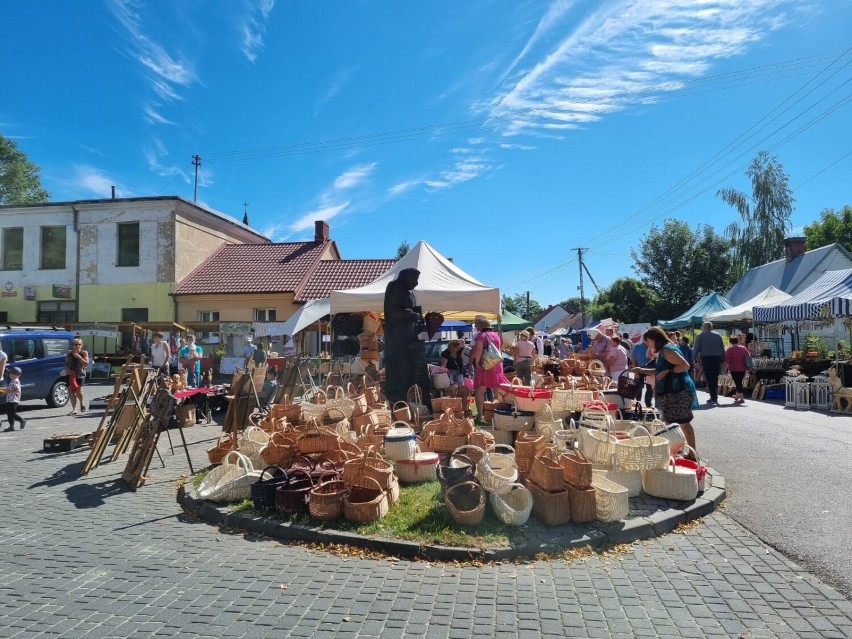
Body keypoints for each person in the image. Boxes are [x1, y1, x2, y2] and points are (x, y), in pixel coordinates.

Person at [632, 327, 699, 452]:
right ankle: (676, 449)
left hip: (679, 390)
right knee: (672, 421)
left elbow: (685, 365)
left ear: (653, 339)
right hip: (671, 390)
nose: (647, 345)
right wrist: (641, 370)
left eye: (647, 341)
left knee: (683, 421)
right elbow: (659, 371)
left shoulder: (667, 349)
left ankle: (691, 452)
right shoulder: (664, 350)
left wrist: (669, 371)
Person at [383, 268, 430, 408]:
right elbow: (392, 313)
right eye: (414, 279)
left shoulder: (409, 293)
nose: (416, 283)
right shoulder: (394, 287)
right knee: (399, 371)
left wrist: (418, 317)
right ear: (406, 277)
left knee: (413, 371)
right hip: (397, 340)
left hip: (409, 338)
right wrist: (410, 314)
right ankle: (398, 404)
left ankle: (415, 403)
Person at [470, 315, 508, 424]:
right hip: (496, 365)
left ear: (481, 326)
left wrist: (476, 363)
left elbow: (478, 349)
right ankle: (495, 414)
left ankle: (480, 416)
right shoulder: (496, 335)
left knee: (480, 390)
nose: (476, 326)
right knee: (497, 390)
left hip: (485, 366)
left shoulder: (481, 336)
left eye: (477, 325)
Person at [694, 321, 725, 404]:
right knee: (715, 377)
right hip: (717, 358)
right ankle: (714, 395)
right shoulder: (718, 336)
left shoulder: (700, 336)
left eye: (702, 327)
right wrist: (723, 359)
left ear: (704, 327)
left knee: (709, 377)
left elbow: (696, 349)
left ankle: (713, 396)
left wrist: (692, 359)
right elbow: (722, 348)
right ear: (711, 327)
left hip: (706, 358)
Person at [65, 338, 90, 415]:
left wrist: (79, 357)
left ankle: (82, 402)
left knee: (78, 391)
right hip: (71, 374)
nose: (77, 346)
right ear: (73, 345)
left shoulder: (84, 353)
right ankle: (74, 409)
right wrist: (66, 369)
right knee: (71, 391)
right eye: (76, 344)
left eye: (79, 344)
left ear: (82, 345)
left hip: (80, 374)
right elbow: (66, 363)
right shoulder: (69, 353)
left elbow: (86, 364)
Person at [724, 336, 752, 404]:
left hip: (734, 368)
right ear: (738, 341)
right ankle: (737, 396)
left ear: (730, 342)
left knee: (738, 382)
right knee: (739, 381)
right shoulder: (743, 348)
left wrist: (725, 370)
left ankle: (742, 398)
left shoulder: (730, 350)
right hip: (743, 368)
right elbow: (748, 357)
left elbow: (727, 361)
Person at [1, 367, 26, 431]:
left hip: (14, 400)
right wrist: (2, 389)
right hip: (10, 400)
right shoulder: (12, 381)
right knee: (10, 413)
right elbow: (8, 389)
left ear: (19, 375)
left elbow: (17, 390)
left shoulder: (16, 381)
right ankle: (12, 425)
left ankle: (20, 421)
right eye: (12, 374)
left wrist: (7, 391)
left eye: (15, 375)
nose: (13, 376)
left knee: (11, 413)